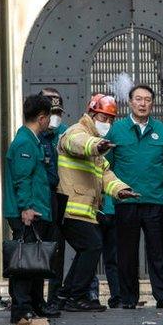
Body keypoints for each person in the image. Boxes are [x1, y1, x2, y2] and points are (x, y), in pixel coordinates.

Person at [56, 94, 138, 311]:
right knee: (92, 247)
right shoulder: (77, 132)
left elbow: (105, 175)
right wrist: (97, 145)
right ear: (92, 114)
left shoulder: (98, 150)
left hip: (85, 210)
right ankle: (75, 296)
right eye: (104, 117)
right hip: (71, 208)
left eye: (111, 120)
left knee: (88, 249)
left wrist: (122, 190)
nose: (107, 123)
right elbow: (77, 143)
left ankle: (66, 295)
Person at [106, 84, 163, 309]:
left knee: (158, 251)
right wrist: (110, 196)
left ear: (152, 103)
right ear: (129, 102)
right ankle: (128, 298)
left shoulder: (161, 130)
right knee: (126, 253)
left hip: (155, 199)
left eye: (147, 99)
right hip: (126, 201)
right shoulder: (117, 130)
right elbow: (106, 166)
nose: (143, 103)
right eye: (138, 99)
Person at [2, 94, 58, 323]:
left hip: (39, 209)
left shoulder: (32, 140)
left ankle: (35, 304)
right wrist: (26, 208)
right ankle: (22, 307)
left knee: (36, 262)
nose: (50, 123)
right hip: (28, 211)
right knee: (24, 262)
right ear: (42, 118)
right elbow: (22, 179)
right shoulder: (25, 142)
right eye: (49, 118)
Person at [39, 88, 68, 316]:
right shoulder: (33, 136)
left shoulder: (66, 133)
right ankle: (36, 299)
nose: (54, 118)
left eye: (58, 112)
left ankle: (55, 297)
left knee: (57, 251)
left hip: (63, 199)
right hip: (40, 200)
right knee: (37, 254)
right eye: (51, 112)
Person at [87, 194, 122, 308]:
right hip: (95, 212)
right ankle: (93, 294)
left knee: (112, 258)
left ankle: (115, 296)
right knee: (92, 257)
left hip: (112, 212)